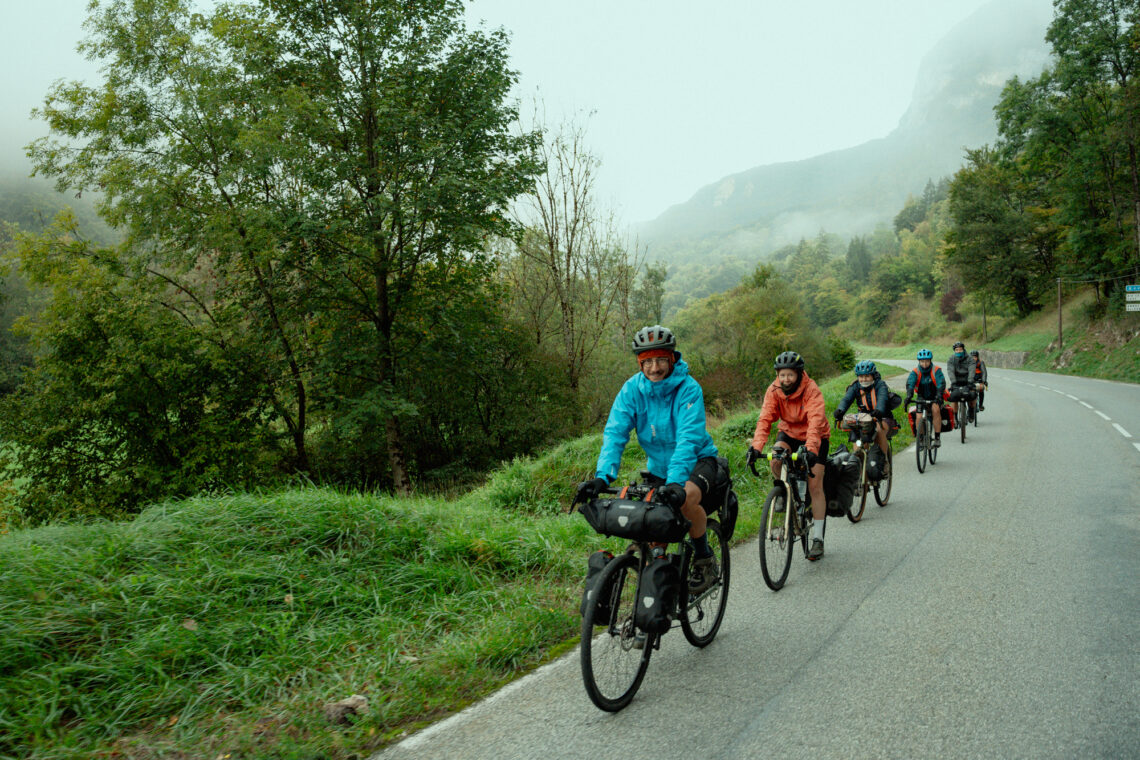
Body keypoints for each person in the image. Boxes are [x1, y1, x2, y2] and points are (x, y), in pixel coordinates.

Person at [575, 325, 721, 593]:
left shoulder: (689, 389)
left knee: (686, 499)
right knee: (651, 524)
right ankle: (661, 576)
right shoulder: (632, 390)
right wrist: (602, 475)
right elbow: (616, 432)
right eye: (648, 361)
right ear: (640, 363)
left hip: (698, 461)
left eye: (661, 359)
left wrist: (676, 481)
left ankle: (703, 557)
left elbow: (688, 440)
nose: (655, 368)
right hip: (658, 467)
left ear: (672, 358)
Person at [745, 351, 830, 561]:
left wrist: (811, 449)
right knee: (776, 459)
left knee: (815, 485)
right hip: (789, 432)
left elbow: (816, 421)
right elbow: (765, 419)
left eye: (790, 375)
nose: (785, 379)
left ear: (799, 374)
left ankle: (818, 538)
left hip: (816, 435)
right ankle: (784, 492)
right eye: (782, 375)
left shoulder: (811, 389)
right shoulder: (774, 390)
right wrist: (756, 447)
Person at [833, 360, 892, 473]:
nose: (864, 379)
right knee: (856, 433)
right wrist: (840, 410)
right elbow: (847, 399)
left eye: (867, 376)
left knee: (879, 430)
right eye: (861, 377)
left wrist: (879, 410)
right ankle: (859, 466)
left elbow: (882, 398)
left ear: (873, 376)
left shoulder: (880, 385)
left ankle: (883, 461)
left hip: (882, 417)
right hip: (864, 418)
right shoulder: (855, 386)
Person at [904, 349, 946, 447]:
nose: (924, 364)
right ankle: (922, 438)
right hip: (921, 397)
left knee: (936, 410)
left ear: (930, 360)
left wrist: (939, 395)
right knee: (918, 417)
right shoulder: (915, 372)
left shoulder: (936, 370)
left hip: (935, 396)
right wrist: (909, 395)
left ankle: (937, 438)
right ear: (919, 361)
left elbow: (941, 383)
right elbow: (910, 383)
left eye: (927, 361)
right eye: (922, 361)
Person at [945, 341, 978, 422]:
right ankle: (955, 417)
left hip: (968, 381)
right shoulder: (951, 359)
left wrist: (970, 382)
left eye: (960, 349)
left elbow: (972, 370)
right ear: (954, 351)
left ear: (963, 349)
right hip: (956, 382)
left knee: (973, 395)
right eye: (956, 350)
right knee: (954, 398)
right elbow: (950, 371)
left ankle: (971, 411)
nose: (958, 351)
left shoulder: (970, 358)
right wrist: (953, 382)